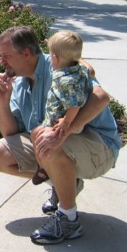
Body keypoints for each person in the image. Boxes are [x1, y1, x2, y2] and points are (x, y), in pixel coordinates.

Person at [0, 26, 121, 245]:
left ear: (26, 53)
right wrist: (2, 101)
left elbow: (101, 98)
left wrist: (64, 131)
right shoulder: (19, 83)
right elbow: (11, 134)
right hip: (56, 144)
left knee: (46, 138)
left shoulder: (61, 66)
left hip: (98, 146)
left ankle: (69, 219)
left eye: (6, 56)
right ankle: (64, 182)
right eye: (0, 56)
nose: (2, 62)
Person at [31, 30, 90, 185]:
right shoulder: (80, 69)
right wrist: (75, 56)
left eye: (51, 54)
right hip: (62, 120)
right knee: (35, 134)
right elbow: (91, 69)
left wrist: (66, 121)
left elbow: (74, 104)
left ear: (55, 58)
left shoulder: (66, 80)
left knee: (39, 137)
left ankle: (45, 169)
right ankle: (43, 167)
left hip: (59, 124)